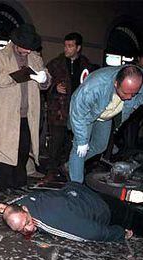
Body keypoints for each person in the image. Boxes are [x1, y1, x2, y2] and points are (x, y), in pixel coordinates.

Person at [0, 24, 51, 196]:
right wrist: (20, 75)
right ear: (16, 43)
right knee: (4, 151)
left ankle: (20, 183)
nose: (28, 51)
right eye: (25, 48)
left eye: (31, 48)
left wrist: (44, 79)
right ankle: (4, 185)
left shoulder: (35, 58)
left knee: (22, 150)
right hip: (5, 115)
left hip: (27, 114)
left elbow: (45, 81)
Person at [68, 65, 143, 183]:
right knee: (79, 149)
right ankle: (75, 187)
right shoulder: (94, 87)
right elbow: (77, 113)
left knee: (100, 146)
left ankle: (73, 164)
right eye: (125, 93)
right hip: (86, 115)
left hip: (106, 115)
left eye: (133, 94)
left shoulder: (139, 84)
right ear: (116, 83)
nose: (129, 98)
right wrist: (82, 141)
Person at [0, 182, 140, 242]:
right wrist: (3, 207)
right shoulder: (24, 202)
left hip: (103, 210)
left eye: (27, 222)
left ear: (25, 209)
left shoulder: (49, 220)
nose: (28, 228)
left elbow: (90, 233)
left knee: (135, 219)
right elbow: (12, 205)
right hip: (81, 193)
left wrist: (120, 233)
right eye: (21, 229)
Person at [46, 32, 93, 174]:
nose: (66, 49)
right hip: (59, 110)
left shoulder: (86, 65)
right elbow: (44, 82)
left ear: (78, 48)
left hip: (77, 111)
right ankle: (52, 170)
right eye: (65, 45)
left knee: (71, 142)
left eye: (70, 46)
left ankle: (67, 168)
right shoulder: (55, 64)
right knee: (56, 141)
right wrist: (54, 87)